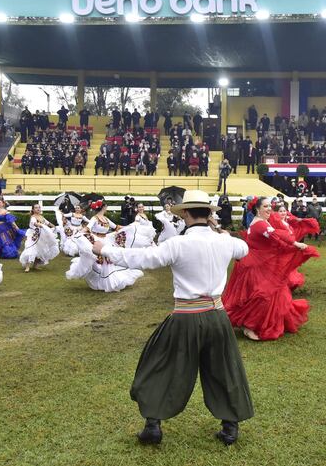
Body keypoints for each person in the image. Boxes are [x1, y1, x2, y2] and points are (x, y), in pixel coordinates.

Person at [93, 190, 254, 445]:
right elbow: (243, 248)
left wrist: (106, 249)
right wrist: (223, 233)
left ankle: (153, 425)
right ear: (209, 215)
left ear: (187, 214)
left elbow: (142, 258)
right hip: (218, 316)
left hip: (187, 316)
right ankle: (230, 427)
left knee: (160, 364)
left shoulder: (178, 244)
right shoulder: (225, 242)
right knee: (224, 369)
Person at [222, 196, 317, 341]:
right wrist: (296, 244)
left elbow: (276, 237)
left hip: (260, 262)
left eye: (269, 206)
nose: (269, 209)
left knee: (275, 293)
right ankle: (248, 326)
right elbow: (275, 235)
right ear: (257, 209)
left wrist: (291, 243)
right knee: (261, 295)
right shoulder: (260, 224)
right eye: (265, 206)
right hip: (255, 265)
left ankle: (265, 323)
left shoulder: (262, 221)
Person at [20, 204, 60, 272]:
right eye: (36, 208)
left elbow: (48, 223)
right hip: (33, 236)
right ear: (33, 210)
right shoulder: (33, 217)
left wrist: (54, 226)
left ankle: (35, 265)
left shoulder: (41, 217)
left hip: (41, 236)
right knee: (31, 249)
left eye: (39, 207)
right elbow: (35, 223)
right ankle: (27, 267)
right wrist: (41, 225)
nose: (38, 209)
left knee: (40, 250)